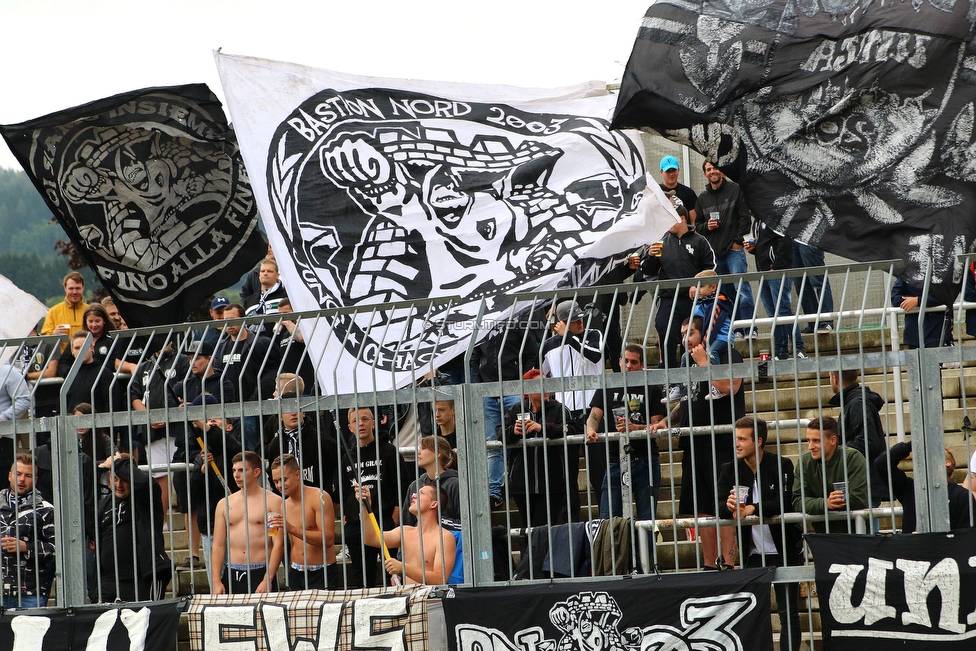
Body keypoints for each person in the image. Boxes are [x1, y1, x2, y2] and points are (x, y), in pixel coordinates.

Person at [651, 316, 744, 569]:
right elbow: (688, 399)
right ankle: (709, 565)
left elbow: (731, 386)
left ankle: (728, 563)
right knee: (701, 507)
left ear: (704, 335)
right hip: (693, 442)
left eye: (689, 333)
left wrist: (704, 364)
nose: (684, 339)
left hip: (722, 442)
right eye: (682, 334)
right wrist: (667, 422)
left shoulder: (727, 352)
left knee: (725, 504)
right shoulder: (687, 361)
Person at [717, 417, 802, 651]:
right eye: (736, 438)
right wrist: (730, 506)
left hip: (784, 549)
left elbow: (786, 502)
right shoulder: (729, 469)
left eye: (743, 439)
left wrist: (754, 508)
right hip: (752, 554)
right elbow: (718, 506)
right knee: (754, 613)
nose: (737, 444)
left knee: (788, 612)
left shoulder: (781, 465)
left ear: (759, 441)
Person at [471, 306, 546, 508]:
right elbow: (473, 355)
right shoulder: (483, 324)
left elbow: (531, 352)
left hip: (513, 389)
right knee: (493, 442)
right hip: (489, 391)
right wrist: (480, 384)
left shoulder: (517, 318)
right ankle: (495, 492)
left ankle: (515, 483)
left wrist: (521, 381)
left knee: (520, 437)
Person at [585, 345, 666, 521]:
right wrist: (590, 429)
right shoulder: (608, 384)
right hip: (615, 460)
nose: (629, 366)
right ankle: (618, 550)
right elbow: (593, 416)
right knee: (609, 520)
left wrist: (635, 428)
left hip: (645, 460)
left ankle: (647, 550)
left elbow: (656, 425)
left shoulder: (652, 387)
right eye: (626, 361)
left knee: (647, 519)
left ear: (642, 364)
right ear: (619, 361)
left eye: (634, 362)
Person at [540, 300, 602, 519]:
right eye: (574, 321)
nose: (581, 323)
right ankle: (572, 521)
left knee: (598, 471)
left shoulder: (593, 334)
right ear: (562, 323)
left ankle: (605, 517)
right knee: (568, 475)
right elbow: (540, 374)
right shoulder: (549, 345)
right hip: (566, 414)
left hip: (593, 410)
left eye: (581, 318)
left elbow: (595, 356)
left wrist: (569, 337)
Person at [637, 203, 715, 368]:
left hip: (692, 299)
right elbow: (647, 271)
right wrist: (650, 256)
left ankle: (692, 372)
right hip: (668, 298)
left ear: (682, 218)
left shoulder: (699, 241)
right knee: (666, 333)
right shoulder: (661, 242)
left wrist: (697, 285)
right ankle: (670, 376)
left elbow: (711, 267)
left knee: (692, 337)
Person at [502, 368, 579, 527]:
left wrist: (541, 428)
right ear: (528, 390)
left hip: (552, 483)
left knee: (542, 529)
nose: (545, 389)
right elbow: (500, 433)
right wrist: (514, 431)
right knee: (527, 530)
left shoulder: (559, 409)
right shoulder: (516, 409)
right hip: (522, 484)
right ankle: (528, 553)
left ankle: (535, 553)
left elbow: (570, 429)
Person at [95, 455, 171, 602]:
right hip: (109, 581)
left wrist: (116, 462)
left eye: (124, 479)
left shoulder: (146, 497)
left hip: (142, 578)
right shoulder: (103, 504)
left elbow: (143, 482)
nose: (119, 485)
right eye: (115, 479)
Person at [340, 407, 401, 588]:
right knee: (362, 580)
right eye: (355, 421)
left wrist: (394, 516)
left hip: (384, 522)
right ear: (349, 427)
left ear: (374, 423)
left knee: (391, 574)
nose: (361, 424)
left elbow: (401, 484)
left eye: (365, 419)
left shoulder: (389, 451)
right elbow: (345, 490)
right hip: (356, 526)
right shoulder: (347, 457)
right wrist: (346, 515)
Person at [694, 161, 755, 339]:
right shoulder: (702, 198)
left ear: (722, 172)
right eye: (708, 169)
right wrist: (708, 226)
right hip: (715, 255)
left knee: (742, 291)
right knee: (724, 295)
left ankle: (750, 329)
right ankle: (734, 329)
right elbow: (697, 226)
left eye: (715, 168)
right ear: (705, 174)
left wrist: (737, 242)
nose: (712, 171)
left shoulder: (735, 190)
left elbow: (745, 218)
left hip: (733, 251)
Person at [210, 451, 284, 594]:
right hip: (232, 570)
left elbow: (278, 543)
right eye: (234, 470)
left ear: (256, 472)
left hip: (260, 569)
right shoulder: (224, 504)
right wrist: (216, 580)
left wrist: (267, 578)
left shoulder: (272, 501)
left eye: (242, 470)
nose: (236, 475)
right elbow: (218, 545)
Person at [357, 483, 456, 585]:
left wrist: (403, 567)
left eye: (421, 493)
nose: (413, 495)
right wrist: (365, 506)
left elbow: (439, 579)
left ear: (433, 504)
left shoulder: (444, 537)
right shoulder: (404, 532)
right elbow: (370, 539)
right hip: (408, 597)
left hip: (431, 599)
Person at [663, 270, 737, 403]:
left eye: (701, 286)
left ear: (713, 287)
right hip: (706, 339)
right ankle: (682, 387)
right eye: (696, 286)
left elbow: (713, 326)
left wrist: (703, 345)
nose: (697, 290)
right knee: (686, 356)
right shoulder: (699, 303)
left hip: (721, 338)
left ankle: (716, 387)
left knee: (712, 351)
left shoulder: (719, 302)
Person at [269, 454, 337, 590]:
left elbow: (328, 539)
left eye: (284, 479)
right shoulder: (283, 505)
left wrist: (291, 528)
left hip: (322, 571)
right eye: (276, 481)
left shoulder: (319, 497)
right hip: (295, 571)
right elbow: (278, 543)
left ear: (298, 474)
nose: (280, 485)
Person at [875, 442, 976, 533]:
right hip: (911, 551)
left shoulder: (962, 496)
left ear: (947, 462)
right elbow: (881, 464)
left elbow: (965, 536)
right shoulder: (909, 488)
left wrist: (929, 538)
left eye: (933, 452)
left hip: (946, 552)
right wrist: (915, 442)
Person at [792, 416, 868, 533]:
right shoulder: (805, 461)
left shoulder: (852, 458)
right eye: (808, 440)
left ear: (833, 440)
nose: (810, 447)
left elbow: (859, 498)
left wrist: (834, 502)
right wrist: (825, 503)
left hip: (855, 535)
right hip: (823, 537)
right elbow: (797, 500)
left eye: (816, 441)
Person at [187, 410, 241, 573]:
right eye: (208, 420)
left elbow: (225, 442)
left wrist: (206, 427)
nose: (211, 421)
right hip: (210, 526)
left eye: (216, 419)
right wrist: (202, 470)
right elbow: (193, 490)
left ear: (229, 427)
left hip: (235, 526)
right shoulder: (201, 456)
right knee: (217, 581)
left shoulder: (235, 451)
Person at [0, 454, 56, 608]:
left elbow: (56, 549)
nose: (22, 479)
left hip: (31, 593)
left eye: (28, 475)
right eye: (18, 474)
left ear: (36, 479)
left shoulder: (46, 509)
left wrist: (27, 547)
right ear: (9, 475)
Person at [216, 303, 273, 450]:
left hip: (250, 406)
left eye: (233, 319)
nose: (228, 324)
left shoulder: (256, 343)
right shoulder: (222, 346)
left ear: (243, 319)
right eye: (225, 320)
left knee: (252, 450)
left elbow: (265, 375)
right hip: (229, 408)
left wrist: (254, 399)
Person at [262, 392, 338, 498]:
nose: (294, 413)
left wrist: (335, 497)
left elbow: (342, 464)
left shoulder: (319, 439)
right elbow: (272, 475)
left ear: (304, 413)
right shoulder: (276, 444)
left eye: (298, 408)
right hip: (289, 506)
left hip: (319, 503)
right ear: (280, 416)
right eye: (288, 409)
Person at [401, 436, 460, 527]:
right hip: (418, 540)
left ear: (438, 453)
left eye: (423, 448)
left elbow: (465, 523)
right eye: (419, 448)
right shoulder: (415, 485)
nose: (418, 452)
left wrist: (432, 523)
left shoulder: (455, 484)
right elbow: (406, 523)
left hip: (450, 540)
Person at [892, 278, 954, 351]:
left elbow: (946, 295)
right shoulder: (906, 273)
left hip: (937, 330)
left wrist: (917, 301)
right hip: (914, 331)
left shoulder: (941, 271)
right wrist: (914, 301)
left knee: (933, 360)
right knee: (917, 361)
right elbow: (895, 298)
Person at [791, 242, 834, 334]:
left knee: (819, 281)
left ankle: (826, 322)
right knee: (801, 284)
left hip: (809, 238)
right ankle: (813, 322)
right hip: (791, 237)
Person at [0, 363, 30, 492]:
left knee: (3, 490)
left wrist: (3, 418)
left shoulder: (7, 371)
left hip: (3, 440)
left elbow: (24, 399)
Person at [40, 271, 87, 337]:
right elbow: (43, 340)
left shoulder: (90, 311)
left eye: (78, 288)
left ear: (83, 288)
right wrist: (53, 334)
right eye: (71, 288)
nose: (74, 292)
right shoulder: (53, 312)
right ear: (65, 288)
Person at [658, 155, 698, 223]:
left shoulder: (688, 192)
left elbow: (694, 221)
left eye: (673, 170)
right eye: (668, 171)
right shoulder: (656, 191)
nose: (671, 174)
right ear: (661, 172)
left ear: (678, 170)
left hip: (683, 231)